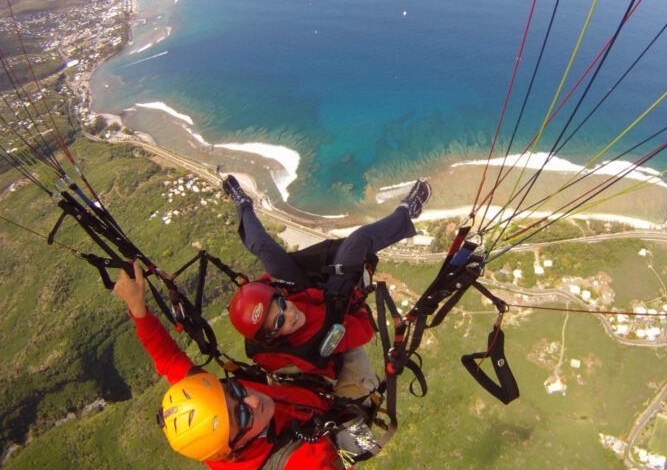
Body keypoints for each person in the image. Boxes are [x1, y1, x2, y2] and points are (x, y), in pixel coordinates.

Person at [113, 261, 346, 469]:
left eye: (235, 389)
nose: (253, 400)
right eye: (243, 416)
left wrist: (137, 308)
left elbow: (169, 358)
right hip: (332, 419)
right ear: (234, 450)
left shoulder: (211, 409)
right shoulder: (302, 463)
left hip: (308, 393)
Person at [222, 175, 431, 402]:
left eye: (281, 305)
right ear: (272, 337)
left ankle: (242, 203)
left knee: (263, 246)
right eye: (280, 321)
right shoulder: (317, 344)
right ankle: (407, 211)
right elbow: (361, 329)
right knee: (358, 241)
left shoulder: (280, 316)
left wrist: (285, 298)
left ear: (281, 295)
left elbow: (280, 303)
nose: (290, 314)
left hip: (303, 292)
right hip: (333, 303)